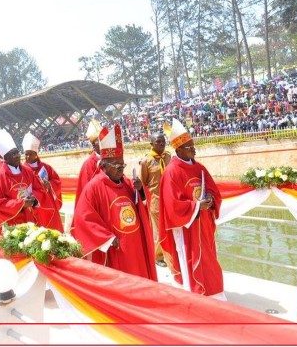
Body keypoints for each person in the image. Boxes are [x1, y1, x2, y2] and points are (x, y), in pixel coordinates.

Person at [71, 123, 157, 280]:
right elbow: (83, 218)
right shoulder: (94, 187)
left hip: (135, 243)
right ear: (103, 165)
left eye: (122, 164)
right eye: (116, 165)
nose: (120, 169)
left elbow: (140, 205)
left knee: (140, 279)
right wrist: (107, 238)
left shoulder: (127, 182)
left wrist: (140, 190)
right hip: (116, 248)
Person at [158, 118, 225, 299]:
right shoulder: (172, 171)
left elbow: (213, 190)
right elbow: (172, 205)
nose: (194, 150)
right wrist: (196, 206)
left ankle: (213, 290)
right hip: (187, 227)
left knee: (209, 257)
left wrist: (210, 199)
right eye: (189, 147)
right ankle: (194, 293)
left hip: (204, 224)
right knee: (190, 259)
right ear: (178, 149)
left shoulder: (199, 167)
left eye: (193, 145)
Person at [0, 128, 54, 234]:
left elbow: (39, 189)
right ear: (6, 158)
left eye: (17, 152)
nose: (17, 155)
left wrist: (34, 199)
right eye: (13, 154)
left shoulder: (27, 171)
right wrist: (21, 203)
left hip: (30, 217)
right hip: (11, 223)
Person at [139, 131, 172, 268]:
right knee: (158, 230)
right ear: (151, 144)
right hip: (156, 201)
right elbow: (142, 182)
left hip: (170, 199)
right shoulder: (146, 161)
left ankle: (170, 253)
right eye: (158, 141)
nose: (161, 143)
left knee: (170, 228)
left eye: (163, 141)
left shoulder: (169, 157)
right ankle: (158, 256)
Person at [21, 132, 63, 231]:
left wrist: (50, 185)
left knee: (53, 229)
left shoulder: (46, 167)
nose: (27, 157)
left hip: (48, 203)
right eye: (26, 154)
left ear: (36, 154)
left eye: (30, 154)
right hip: (33, 205)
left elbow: (57, 181)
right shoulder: (23, 170)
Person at [75, 119, 103, 207]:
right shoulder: (88, 165)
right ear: (94, 145)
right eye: (100, 141)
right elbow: (86, 192)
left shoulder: (112, 159)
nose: (104, 144)